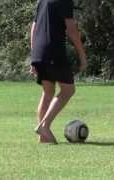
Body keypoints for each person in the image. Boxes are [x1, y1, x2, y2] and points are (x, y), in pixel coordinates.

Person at [30, 0, 86, 143]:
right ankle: (44, 126)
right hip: (53, 50)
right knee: (68, 90)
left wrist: (34, 55)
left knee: (48, 92)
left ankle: (43, 137)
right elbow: (72, 29)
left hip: (39, 51)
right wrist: (82, 55)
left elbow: (34, 27)